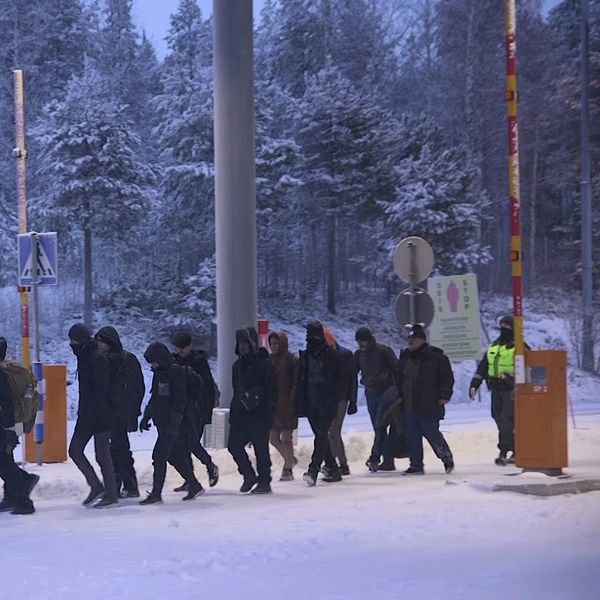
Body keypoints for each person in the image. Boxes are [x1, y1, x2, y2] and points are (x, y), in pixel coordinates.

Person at [139, 342, 204, 504]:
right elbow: (154, 398)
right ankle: (194, 485)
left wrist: (173, 425)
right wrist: (146, 417)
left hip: (173, 425)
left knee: (159, 456)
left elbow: (180, 402)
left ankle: (156, 494)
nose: (152, 365)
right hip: (163, 423)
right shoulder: (159, 373)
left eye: (153, 361)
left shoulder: (176, 373)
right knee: (174, 457)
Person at [67, 324, 119, 508]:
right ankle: (97, 486)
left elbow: (101, 391)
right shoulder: (84, 355)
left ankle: (111, 496)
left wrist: (94, 414)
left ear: (80, 340)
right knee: (75, 450)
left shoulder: (96, 358)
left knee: (102, 456)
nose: (71, 344)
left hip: (100, 415)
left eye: (73, 340)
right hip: (87, 414)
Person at [397, 324, 455, 475]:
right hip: (409, 403)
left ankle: (446, 458)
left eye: (414, 338)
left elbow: (447, 378)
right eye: (409, 338)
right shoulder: (405, 356)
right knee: (412, 435)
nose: (411, 341)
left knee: (431, 432)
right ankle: (416, 464)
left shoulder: (436, 356)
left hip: (429, 402)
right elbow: (399, 377)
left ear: (422, 340)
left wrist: (444, 395)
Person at [95, 326, 145, 498]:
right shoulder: (104, 359)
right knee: (120, 448)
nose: (100, 345)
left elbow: (137, 387)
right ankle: (128, 486)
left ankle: (117, 487)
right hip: (111, 411)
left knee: (116, 449)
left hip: (121, 412)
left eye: (102, 342)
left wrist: (133, 411)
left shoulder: (125, 360)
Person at [227, 328, 278, 494]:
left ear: (252, 344)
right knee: (234, 445)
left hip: (260, 414)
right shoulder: (237, 366)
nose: (242, 347)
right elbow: (236, 391)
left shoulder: (263, 363)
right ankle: (248, 475)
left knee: (260, 448)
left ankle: (264, 481)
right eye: (240, 343)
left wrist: (269, 413)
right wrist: (234, 412)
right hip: (241, 414)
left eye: (245, 343)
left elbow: (272, 390)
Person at [296, 321, 343, 486]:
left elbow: (340, 381)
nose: (310, 338)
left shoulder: (333, 356)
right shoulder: (306, 356)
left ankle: (313, 469)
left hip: (327, 402)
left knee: (321, 435)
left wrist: (337, 399)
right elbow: (302, 380)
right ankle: (332, 468)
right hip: (310, 402)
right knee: (320, 436)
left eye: (312, 334)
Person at [172, 331, 219, 491]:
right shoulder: (175, 362)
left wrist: (206, 412)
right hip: (182, 410)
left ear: (190, 345)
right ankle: (189, 478)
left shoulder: (199, 362)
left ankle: (209, 465)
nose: (181, 351)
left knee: (191, 443)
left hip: (196, 410)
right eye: (179, 347)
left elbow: (208, 388)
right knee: (183, 444)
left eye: (183, 347)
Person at [469, 315, 519, 466]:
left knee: (507, 419)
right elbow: (483, 367)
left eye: (508, 326)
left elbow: (529, 368)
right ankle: (513, 448)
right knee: (498, 417)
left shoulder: (520, 347)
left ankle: (507, 451)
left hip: (511, 390)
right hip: (496, 389)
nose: (504, 329)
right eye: (502, 326)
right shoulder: (494, 346)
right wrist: (474, 384)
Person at [0, 337, 39, 515]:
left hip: (4, 426)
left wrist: (8, 429)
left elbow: (6, 403)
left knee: (4, 463)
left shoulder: (1, 374)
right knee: (5, 462)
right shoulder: (4, 371)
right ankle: (13, 496)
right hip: (6, 425)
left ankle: (24, 502)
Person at [354, 327, 400, 472]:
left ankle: (376, 458)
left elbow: (397, 369)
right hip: (371, 393)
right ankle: (386, 460)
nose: (361, 344)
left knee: (381, 426)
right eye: (359, 341)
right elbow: (352, 371)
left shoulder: (384, 351)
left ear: (369, 339)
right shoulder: (359, 354)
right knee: (378, 427)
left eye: (363, 341)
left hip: (387, 392)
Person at [323, 328, 357, 476]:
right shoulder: (323, 356)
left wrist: (353, 401)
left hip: (341, 398)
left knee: (333, 432)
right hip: (328, 398)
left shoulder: (346, 355)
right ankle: (342, 464)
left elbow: (352, 379)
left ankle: (332, 464)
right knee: (334, 433)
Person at [268, 331, 299, 481]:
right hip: (274, 405)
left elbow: (296, 382)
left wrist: (292, 399)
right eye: (271, 343)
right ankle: (290, 459)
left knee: (287, 437)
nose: (273, 346)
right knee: (273, 438)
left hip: (288, 404)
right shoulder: (269, 361)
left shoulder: (292, 360)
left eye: (276, 343)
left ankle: (288, 468)